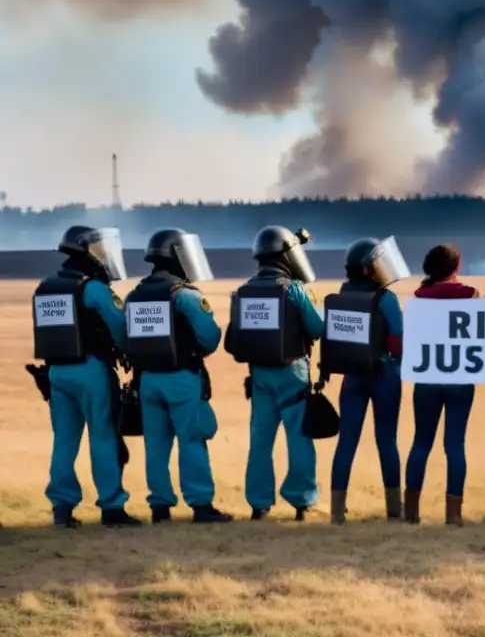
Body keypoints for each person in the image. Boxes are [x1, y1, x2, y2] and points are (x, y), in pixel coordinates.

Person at [31, 226, 140, 528]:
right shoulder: (92, 288)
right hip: (92, 370)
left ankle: (62, 508)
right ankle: (112, 507)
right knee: (103, 436)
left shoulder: (46, 286)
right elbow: (121, 328)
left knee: (64, 441)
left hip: (56, 373)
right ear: (84, 251)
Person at [124, 229, 231, 523]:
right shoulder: (183, 295)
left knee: (156, 446)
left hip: (147, 381)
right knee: (192, 440)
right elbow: (209, 338)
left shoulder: (135, 294)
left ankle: (160, 507)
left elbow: (126, 338)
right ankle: (200, 505)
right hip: (181, 378)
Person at [225, 226, 324, 521]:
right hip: (292, 372)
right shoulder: (293, 289)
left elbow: (234, 340)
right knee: (299, 438)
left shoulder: (243, 292)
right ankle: (302, 502)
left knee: (260, 440)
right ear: (286, 256)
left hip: (259, 376)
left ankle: (259, 504)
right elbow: (317, 328)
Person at [325, 237, 407, 524]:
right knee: (387, 441)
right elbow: (397, 342)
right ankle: (395, 510)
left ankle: (336, 512)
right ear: (367, 269)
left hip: (351, 378)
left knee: (346, 443)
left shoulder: (342, 294)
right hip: (384, 375)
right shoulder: (386, 298)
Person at [404, 244, 478, 526]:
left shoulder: (419, 297)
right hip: (460, 378)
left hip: (427, 379)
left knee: (421, 442)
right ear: (456, 267)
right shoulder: (471, 295)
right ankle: (453, 514)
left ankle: (410, 513)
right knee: (455, 445)